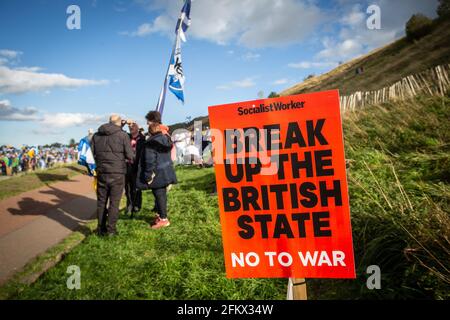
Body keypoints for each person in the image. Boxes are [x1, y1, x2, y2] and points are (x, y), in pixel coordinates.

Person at [91, 114, 133, 236]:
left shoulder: (96, 135)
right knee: (114, 203)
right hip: (117, 173)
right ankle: (111, 230)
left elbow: (92, 154)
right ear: (120, 123)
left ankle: (100, 229)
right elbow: (130, 155)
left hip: (102, 172)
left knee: (101, 202)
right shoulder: (123, 135)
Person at [136, 111, 177, 229]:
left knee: (159, 195)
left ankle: (163, 219)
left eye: (148, 121)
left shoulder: (151, 142)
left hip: (157, 172)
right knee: (161, 195)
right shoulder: (165, 137)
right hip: (166, 170)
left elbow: (150, 160)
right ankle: (161, 215)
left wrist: (148, 176)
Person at [125, 121, 145, 215]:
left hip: (138, 166)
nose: (131, 127)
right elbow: (118, 131)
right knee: (128, 187)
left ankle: (137, 205)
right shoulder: (126, 137)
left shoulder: (143, 138)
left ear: (138, 127)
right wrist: (124, 123)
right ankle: (129, 205)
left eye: (133, 126)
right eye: (129, 126)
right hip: (127, 166)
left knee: (137, 187)